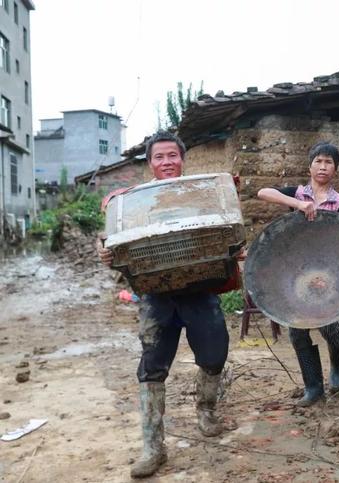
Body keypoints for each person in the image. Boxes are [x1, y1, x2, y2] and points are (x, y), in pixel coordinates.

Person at [97, 131, 233, 478]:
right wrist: (105, 253)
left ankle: (206, 412)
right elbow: (115, 245)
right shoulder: (131, 202)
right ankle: (153, 447)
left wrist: (233, 248)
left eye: (173, 155)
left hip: (201, 292)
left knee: (214, 357)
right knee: (152, 369)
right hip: (157, 297)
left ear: (182, 160)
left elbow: (227, 232)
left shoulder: (201, 195)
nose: (167, 162)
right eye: (160, 157)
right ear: (150, 163)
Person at [257, 142, 339, 407]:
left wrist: (332, 274)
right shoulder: (296, 193)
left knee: (330, 328)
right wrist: (298, 203)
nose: (323, 167)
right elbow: (263, 192)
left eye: (329, 162)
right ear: (309, 166)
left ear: (335, 169)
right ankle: (313, 387)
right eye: (318, 161)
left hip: (327, 275)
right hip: (296, 274)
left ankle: (337, 364)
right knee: (297, 330)